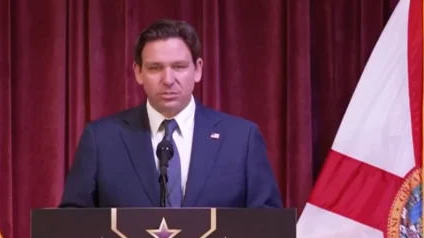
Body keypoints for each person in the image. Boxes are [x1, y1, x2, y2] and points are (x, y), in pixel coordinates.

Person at [59, 19, 282, 208]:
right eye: (155, 68)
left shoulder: (242, 139)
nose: (168, 80)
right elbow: (73, 224)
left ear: (198, 69)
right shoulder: (101, 139)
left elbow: (268, 224)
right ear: (138, 72)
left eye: (179, 67)